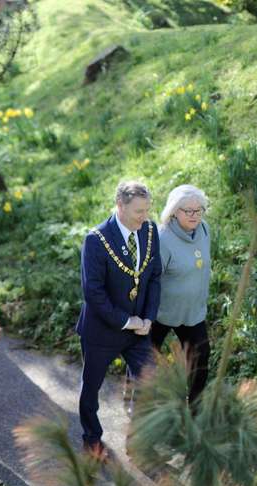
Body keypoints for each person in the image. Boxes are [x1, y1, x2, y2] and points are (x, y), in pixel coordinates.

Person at [76, 181, 161, 460]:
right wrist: (128, 321)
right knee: (91, 390)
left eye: (147, 210)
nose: (145, 217)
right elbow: (93, 292)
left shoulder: (149, 231)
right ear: (120, 206)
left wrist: (148, 317)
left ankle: (137, 441)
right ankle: (92, 439)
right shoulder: (95, 240)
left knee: (150, 382)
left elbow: (155, 277)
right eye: (139, 211)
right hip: (102, 331)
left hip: (139, 330)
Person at [151, 185, 211, 406]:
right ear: (174, 211)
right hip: (160, 312)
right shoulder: (162, 239)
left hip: (192, 311)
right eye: (189, 211)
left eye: (199, 210)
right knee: (146, 359)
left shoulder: (204, 229)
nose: (195, 215)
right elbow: (151, 279)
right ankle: (139, 404)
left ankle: (194, 408)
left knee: (201, 357)